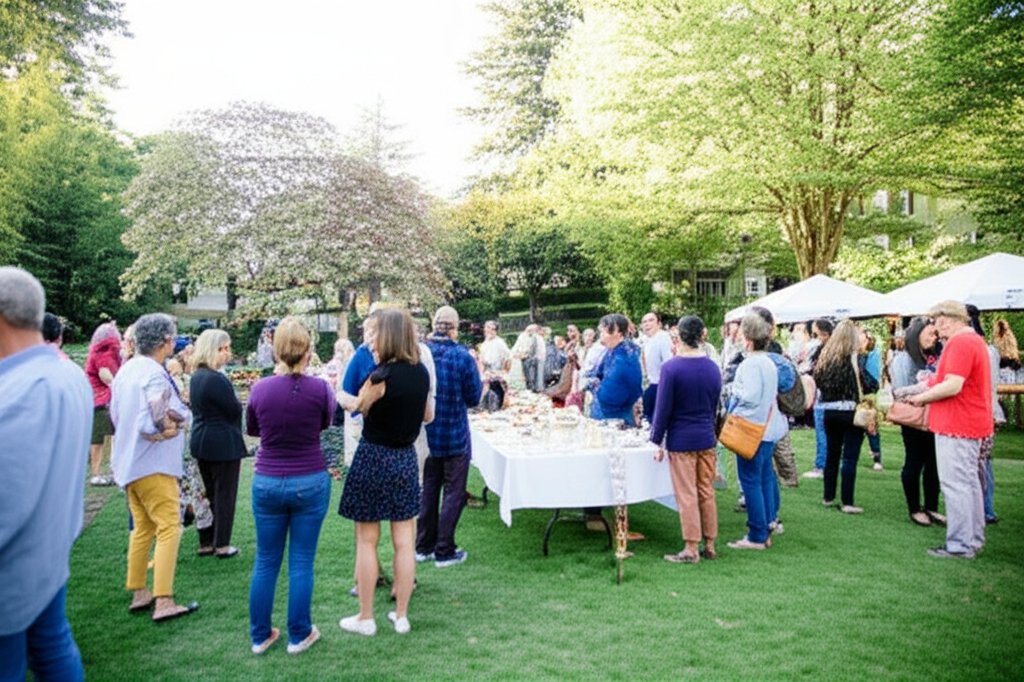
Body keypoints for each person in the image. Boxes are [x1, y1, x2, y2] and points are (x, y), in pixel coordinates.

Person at [0, 267, 92, 682]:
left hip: (15, 568)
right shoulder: (65, 373)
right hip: (48, 550)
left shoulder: (25, 389)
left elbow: (7, 498)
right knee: (52, 648)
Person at [339, 308, 433, 636]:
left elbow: (357, 407)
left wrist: (345, 396)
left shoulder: (379, 376)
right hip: (405, 459)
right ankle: (402, 615)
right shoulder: (422, 373)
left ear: (389, 335)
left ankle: (366, 617)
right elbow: (428, 415)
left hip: (374, 456)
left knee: (367, 541)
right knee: (404, 542)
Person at [246, 317, 335, 654]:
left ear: (275, 348)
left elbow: (253, 430)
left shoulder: (260, 389)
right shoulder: (320, 389)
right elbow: (325, 422)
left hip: (268, 480)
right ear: (308, 349)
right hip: (308, 479)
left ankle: (260, 635)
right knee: (301, 561)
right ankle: (299, 633)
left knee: (266, 560)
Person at [110, 313, 198, 622]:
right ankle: (164, 599)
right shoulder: (154, 374)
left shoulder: (126, 371)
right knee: (169, 526)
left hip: (129, 462)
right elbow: (155, 417)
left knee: (143, 528)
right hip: (154, 462)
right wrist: (172, 426)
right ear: (164, 341)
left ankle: (139, 590)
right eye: (173, 338)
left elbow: (118, 416)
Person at [909, 301, 992, 559]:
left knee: (956, 485)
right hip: (969, 423)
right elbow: (946, 380)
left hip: (958, 424)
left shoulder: (960, 343)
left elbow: (953, 385)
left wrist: (922, 398)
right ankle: (973, 539)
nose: (934, 327)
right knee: (969, 484)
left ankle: (959, 545)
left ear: (946, 319)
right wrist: (917, 389)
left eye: (935, 321)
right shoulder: (973, 341)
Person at [650, 316, 722, 563]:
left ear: (678, 337)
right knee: (706, 490)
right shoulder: (713, 367)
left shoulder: (671, 368)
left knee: (687, 493)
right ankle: (710, 543)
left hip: (682, 439)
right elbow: (714, 405)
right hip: (706, 436)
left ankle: (691, 547)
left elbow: (662, 410)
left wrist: (656, 441)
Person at [416, 306, 482, 568]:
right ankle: (444, 550)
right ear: (454, 327)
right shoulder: (463, 357)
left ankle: (423, 546)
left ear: (434, 324)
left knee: (429, 488)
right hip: (454, 433)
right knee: (454, 492)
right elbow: (474, 397)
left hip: (426, 432)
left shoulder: (420, 353)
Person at [726, 313, 789, 550]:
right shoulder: (769, 362)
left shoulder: (751, 363)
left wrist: (734, 392)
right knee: (762, 478)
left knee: (751, 480)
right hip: (766, 428)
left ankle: (756, 534)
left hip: (751, 427)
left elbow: (750, 396)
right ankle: (765, 526)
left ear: (748, 338)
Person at [188, 329, 246, 558]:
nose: (227, 354)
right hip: (222, 442)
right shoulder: (216, 378)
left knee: (206, 493)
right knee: (224, 494)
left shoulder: (197, 376)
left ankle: (206, 541)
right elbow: (234, 409)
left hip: (202, 439)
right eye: (222, 349)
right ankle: (222, 543)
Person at [813, 319, 878, 514]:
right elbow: (870, 384)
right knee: (849, 457)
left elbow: (817, 379)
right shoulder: (854, 358)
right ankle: (847, 501)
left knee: (832, 455)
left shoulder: (825, 356)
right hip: (850, 411)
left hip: (829, 411)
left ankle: (828, 496)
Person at [889, 317, 944, 527]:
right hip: (913, 418)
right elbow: (901, 393)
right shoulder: (903, 360)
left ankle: (931, 506)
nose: (934, 338)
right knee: (914, 461)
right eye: (930, 333)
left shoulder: (934, 357)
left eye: (935, 334)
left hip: (933, 417)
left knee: (933, 463)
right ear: (917, 334)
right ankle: (914, 507)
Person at [967, 305, 1002, 526]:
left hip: (978, 412)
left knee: (977, 464)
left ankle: (982, 509)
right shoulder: (990, 350)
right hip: (990, 410)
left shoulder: (977, 349)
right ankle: (986, 508)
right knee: (984, 463)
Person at [85, 321, 122, 486]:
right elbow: (105, 374)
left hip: (99, 400)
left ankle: (104, 472)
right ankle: (97, 473)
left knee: (104, 438)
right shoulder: (104, 354)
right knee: (100, 439)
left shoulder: (99, 352)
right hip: (101, 402)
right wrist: (118, 387)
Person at [802, 318, 833, 479]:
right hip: (826, 398)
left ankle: (821, 466)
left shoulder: (824, 351)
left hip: (822, 397)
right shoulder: (829, 349)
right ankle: (828, 465)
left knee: (822, 433)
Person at [640, 311, 674, 424]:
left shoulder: (663, 337)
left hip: (660, 385)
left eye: (651, 320)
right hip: (650, 384)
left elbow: (668, 363)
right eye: (644, 322)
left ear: (659, 324)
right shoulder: (647, 340)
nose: (647, 324)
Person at [860, 328, 884, 471]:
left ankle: (877, 457)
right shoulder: (856, 355)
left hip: (868, 396)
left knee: (871, 428)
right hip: (858, 395)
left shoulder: (872, 355)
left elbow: (873, 380)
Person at [478, 320, 511, 411]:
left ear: (495, 330)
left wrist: (504, 371)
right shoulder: (484, 344)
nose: (487, 330)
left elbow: (508, 358)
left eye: (490, 328)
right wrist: (482, 372)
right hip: (488, 372)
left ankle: (496, 407)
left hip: (497, 372)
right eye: (486, 328)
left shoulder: (500, 343)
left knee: (497, 391)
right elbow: (481, 359)